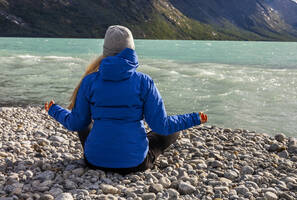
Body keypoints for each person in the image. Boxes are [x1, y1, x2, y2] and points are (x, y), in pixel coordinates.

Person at [44, 25, 208, 175]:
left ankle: (103, 149)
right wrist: (195, 118)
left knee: (83, 121)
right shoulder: (144, 81)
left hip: (94, 161)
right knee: (171, 131)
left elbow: (75, 123)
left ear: (105, 51)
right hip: (135, 163)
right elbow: (161, 125)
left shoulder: (90, 81)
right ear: (131, 50)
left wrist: (53, 109)